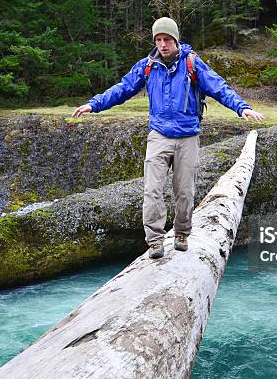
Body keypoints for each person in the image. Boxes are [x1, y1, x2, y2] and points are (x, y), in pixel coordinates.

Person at [72, 17, 264, 259]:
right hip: (159, 136)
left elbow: (219, 87)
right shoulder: (147, 66)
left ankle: (182, 233)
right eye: (158, 40)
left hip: (188, 138)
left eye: (167, 40)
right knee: (152, 190)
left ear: (175, 40)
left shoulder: (192, 63)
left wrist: (241, 107)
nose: (163, 45)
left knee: (184, 192)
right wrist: (94, 105)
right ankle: (154, 241)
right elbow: (122, 89)